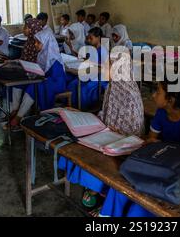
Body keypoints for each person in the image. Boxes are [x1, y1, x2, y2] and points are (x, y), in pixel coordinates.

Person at [99, 79, 180, 217]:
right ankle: (107, 214)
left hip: (176, 171)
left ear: (170, 100)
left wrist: (159, 144)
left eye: (158, 92)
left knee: (136, 193)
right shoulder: (161, 112)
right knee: (120, 183)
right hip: (160, 161)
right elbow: (151, 139)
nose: (153, 95)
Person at [59, 52, 145, 212]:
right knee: (78, 145)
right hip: (106, 135)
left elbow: (133, 133)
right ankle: (94, 187)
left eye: (110, 66)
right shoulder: (113, 86)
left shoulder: (130, 95)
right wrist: (89, 118)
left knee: (95, 155)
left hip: (123, 146)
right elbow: (105, 114)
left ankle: (100, 190)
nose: (106, 68)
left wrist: (110, 130)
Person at [7, 28, 67, 128]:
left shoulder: (54, 59)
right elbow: (39, 70)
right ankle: (15, 109)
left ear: (46, 43)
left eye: (38, 42)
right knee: (19, 82)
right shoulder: (42, 54)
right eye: (35, 42)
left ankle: (18, 117)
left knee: (33, 86)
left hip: (55, 83)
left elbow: (54, 78)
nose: (35, 44)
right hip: (43, 79)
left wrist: (38, 76)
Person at [67, 27, 109, 110]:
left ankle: (84, 109)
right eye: (88, 38)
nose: (89, 40)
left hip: (99, 78)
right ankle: (73, 107)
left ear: (98, 38)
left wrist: (84, 72)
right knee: (72, 84)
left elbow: (101, 69)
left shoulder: (102, 51)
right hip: (91, 74)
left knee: (83, 89)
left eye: (91, 38)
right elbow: (87, 61)